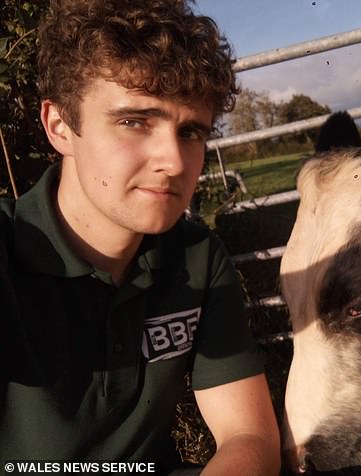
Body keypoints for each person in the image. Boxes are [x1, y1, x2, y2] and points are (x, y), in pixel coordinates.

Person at [0, 1, 281, 474]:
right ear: (60, 127)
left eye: (191, 131)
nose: (173, 160)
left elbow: (248, 435)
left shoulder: (196, 257)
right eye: (134, 121)